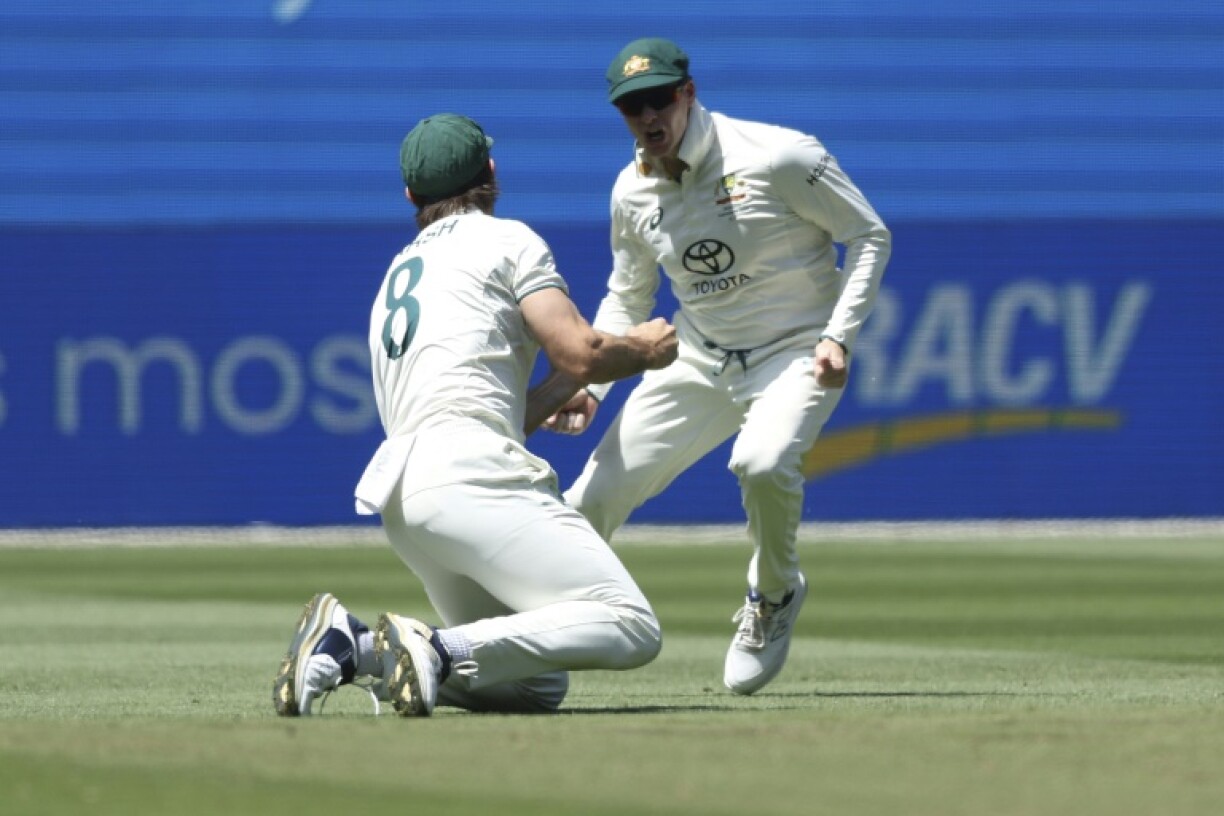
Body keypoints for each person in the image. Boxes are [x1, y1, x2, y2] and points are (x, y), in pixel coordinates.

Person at [273, 113, 678, 717]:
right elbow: (581, 350)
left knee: (531, 686)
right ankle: (434, 647)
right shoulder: (506, 239)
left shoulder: (397, 273)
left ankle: (354, 646)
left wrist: (553, 392)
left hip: (405, 496)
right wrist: (646, 350)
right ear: (491, 171)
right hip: (471, 476)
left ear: (412, 195)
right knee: (630, 624)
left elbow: (475, 403)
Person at [545, 38, 892, 696]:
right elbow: (627, 293)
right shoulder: (631, 192)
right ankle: (540, 634)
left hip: (795, 352)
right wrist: (591, 382)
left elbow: (870, 234)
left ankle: (774, 593)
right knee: (584, 506)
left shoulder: (779, 156)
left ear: (688, 93)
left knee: (760, 463)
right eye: (631, 108)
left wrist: (839, 335)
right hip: (695, 358)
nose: (648, 118)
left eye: (658, 101)